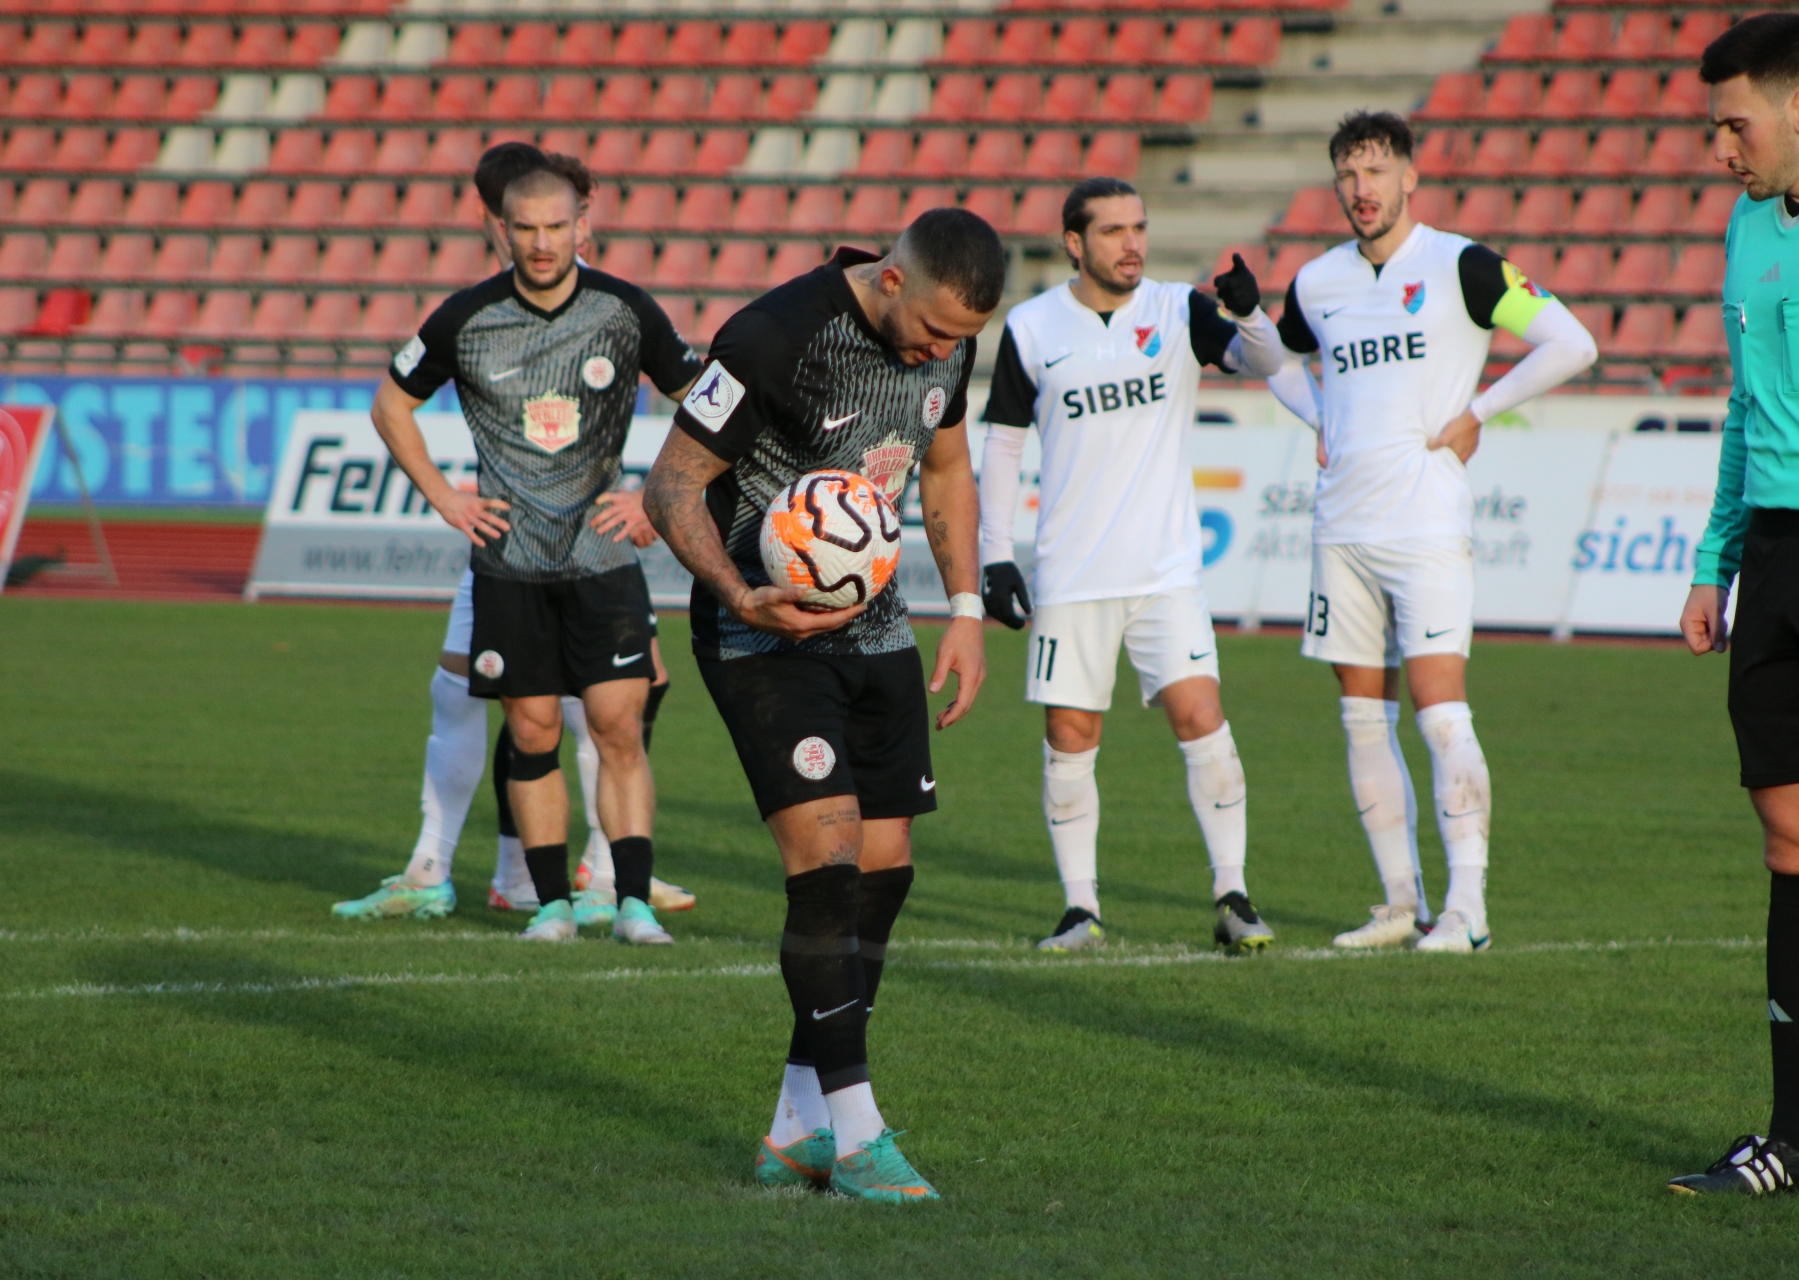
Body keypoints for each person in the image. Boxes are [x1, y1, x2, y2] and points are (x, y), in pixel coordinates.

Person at [644, 209, 1003, 1201]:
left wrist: (966, 610)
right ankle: (858, 1135)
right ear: (890, 280)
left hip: (878, 630)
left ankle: (796, 1125)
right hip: (764, 635)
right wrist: (738, 592)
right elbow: (671, 485)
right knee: (829, 860)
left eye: (961, 340)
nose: (942, 352)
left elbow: (946, 468)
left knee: (885, 867)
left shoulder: (950, 342)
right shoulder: (772, 338)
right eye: (933, 331)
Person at [332, 143, 693, 925]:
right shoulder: (468, 316)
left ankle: (614, 883)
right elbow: (391, 404)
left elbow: (708, 406)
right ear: (500, 225)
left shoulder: (622, 309)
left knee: (612, 716)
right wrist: (444, 497)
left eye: (558, 225)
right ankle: (509, 884)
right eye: (525, 226)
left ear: (581, 223)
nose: (542, 240)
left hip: (598, 558)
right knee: (507, 716)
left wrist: (658, 500)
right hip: (506, 561)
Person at [1265, 111, 1596, 952]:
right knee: (1361, 719)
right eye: (1348, 174)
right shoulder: (1317, 282)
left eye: (1377, 172)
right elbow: (1276, 359)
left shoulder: (1463, 265)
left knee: (1442, 715)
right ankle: (1399, 905)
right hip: (1340, 527)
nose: (1362, 189)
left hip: (1425, 526)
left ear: (1410, 177)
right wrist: (1320, 415)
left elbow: (1573, 343)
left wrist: (1480, 410)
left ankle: (1467, 910)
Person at [978, 177, 1284, 954]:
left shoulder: (1179, 309)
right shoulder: (1033, 326)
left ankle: (1234, 896)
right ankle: (1080, 910)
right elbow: (1004, 444)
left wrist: (1250, 313)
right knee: (1070, 734)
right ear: (1073, 242)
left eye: (1139, 227)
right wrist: (995, 555)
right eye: (1113, 231)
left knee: (1202, 717)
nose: (1131, 243)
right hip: (1072, 573)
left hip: (1165, 570)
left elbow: (1266, 362)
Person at [1672, 13, 1799, 1196]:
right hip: (1773, 551)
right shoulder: (1747, 224)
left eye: (1735, 123)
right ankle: (1791, 1137)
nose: (1721, 148)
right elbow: (1745, 408)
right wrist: (1716, 560)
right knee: (1787, 834)